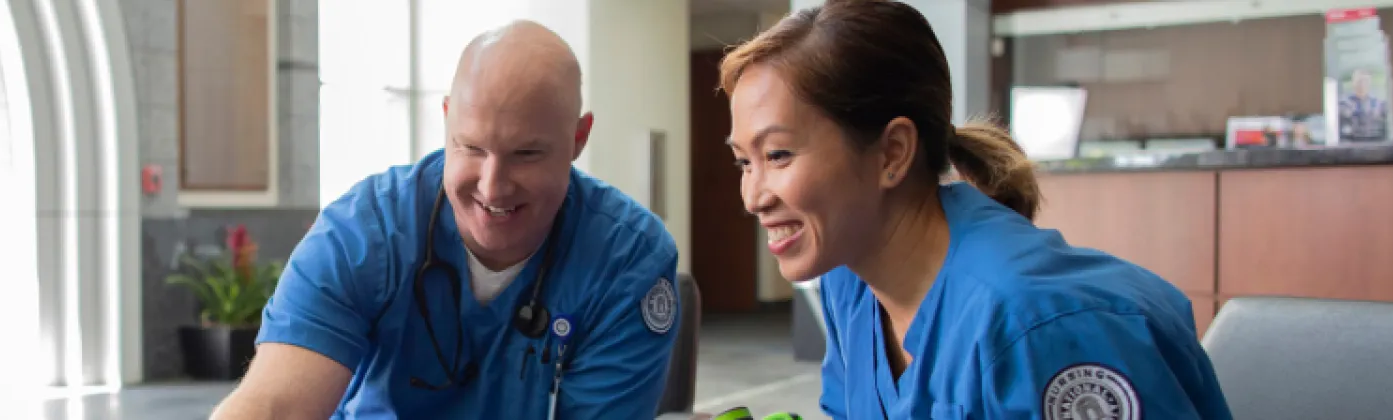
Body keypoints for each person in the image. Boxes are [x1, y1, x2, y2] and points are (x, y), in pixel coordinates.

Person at [718, 1, 1232, 419]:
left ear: (893, 152)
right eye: (744, 162)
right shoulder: (849, 281)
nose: (753, 196)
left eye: (777, 155)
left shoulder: (1037, 327)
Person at [209, 20, 682, 420]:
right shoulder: (361, 234)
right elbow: (273, 405)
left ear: (578, 139)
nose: (493, 186)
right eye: (471, 148)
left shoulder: (627, 260)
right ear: (446, 118)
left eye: (527, 153)